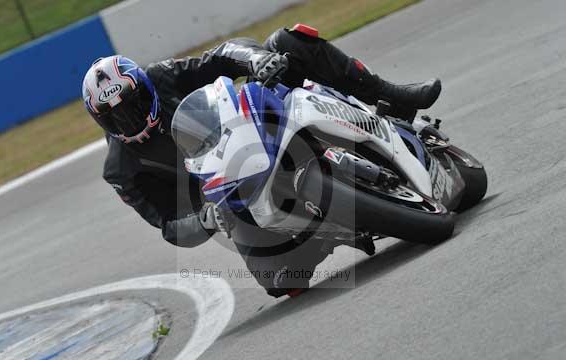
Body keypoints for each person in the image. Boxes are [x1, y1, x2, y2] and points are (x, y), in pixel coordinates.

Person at [81, 24, 441, 297]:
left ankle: (389, 95)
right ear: (100, 121)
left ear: (145, 87)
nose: (130, 118)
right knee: (282, 282)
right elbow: (167, 225)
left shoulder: (162, 77)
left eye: (135, 103)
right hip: (233, 198)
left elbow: (220, 56)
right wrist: (206, 219)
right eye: (116, 117)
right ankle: (323, 233)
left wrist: (255, 59)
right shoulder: (121, 170)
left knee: (286, 41)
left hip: (255, 126)